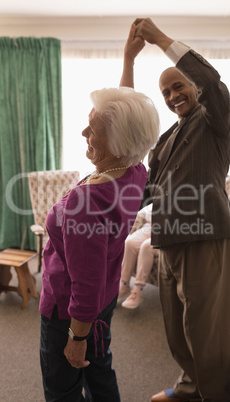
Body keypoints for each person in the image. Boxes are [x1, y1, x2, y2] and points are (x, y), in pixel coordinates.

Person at [120, 19, 230, 402]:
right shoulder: (168, 138)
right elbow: (147, 186)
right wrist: (128, 60)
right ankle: (190, 387)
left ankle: (214, 395)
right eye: (166, 92)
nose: (172, 96)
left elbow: (212, 81)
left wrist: (158, 39)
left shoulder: (216, 120)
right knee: (177, 327)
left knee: (205, 328)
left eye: (178, 86)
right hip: (166, 238)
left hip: (204, 236)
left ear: (194, 87)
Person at [39, 86, 160, 402]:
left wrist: (76, 337)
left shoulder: (88, 202)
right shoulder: (134, 170)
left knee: (62, 389)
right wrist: (129, 59)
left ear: (120, 144)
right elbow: (129, 116)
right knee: (99, 372)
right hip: (103, 299)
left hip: (69, 308)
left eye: (92, 130)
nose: (83, 132)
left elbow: (86, 281)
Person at [118, 204, 154, 308]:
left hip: (166, 229)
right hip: (150, 225)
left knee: (146, 246)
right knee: (129, 242)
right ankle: (124, 285)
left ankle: (138, 290)